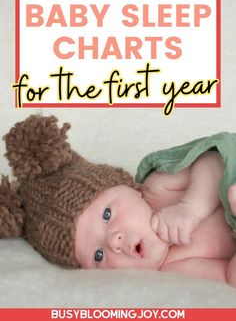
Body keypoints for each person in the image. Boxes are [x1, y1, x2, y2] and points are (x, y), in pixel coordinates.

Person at [0, 115, 235, 287]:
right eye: (98, 255)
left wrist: (191, 207)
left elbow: (214, 160)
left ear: (130, 189)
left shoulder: (159, 187)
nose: (114, 241)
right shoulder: (171, 267)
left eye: (106, 215)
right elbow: (227, 275)